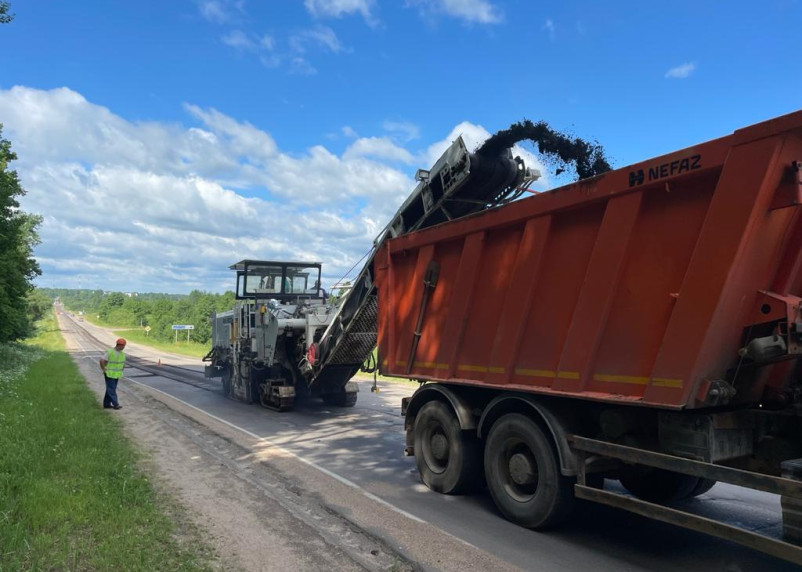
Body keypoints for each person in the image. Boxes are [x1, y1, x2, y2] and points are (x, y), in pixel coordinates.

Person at [100, 338, 127, 410]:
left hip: (117, 374)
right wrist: (103, 369)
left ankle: (106, 404)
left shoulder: (122, 354)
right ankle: (116, 404)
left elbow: (122, 363)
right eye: (123, 346)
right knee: (111, 389)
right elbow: (102, 360)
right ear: (119, 345)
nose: (124, 348)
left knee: (110, 389)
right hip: (109, 373)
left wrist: (122, 370)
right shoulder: (110, 352)